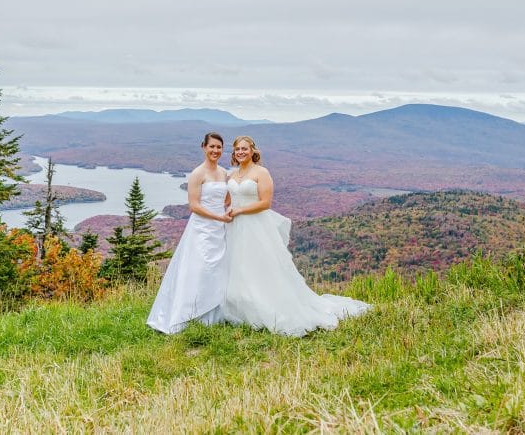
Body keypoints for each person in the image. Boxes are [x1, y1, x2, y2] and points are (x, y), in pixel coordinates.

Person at [222, 135, 370, 336]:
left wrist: (240, 211)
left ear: (253, 151)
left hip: (254, 225)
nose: (241, 152)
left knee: (259, 266)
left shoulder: (261, 172)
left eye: (244, 149)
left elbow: (266, 203)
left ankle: (267, 305)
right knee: (238, 266)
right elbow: (228, 200)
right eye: (237, 149)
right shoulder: (233, 174)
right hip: (234, 227)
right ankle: (241, 307)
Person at [147, 132, 232, 334]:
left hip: (220, 228)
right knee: (199, 268)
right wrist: (219, 217)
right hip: (202, 228)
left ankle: (212, 313)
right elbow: (194, 206)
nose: (215, 151)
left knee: (218, 269)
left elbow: (227, 199)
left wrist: (228, 211)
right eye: (211, 146)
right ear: (204, 147)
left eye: (219, 147)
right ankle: (189, 313)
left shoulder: (223, 172)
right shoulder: (197, 173)